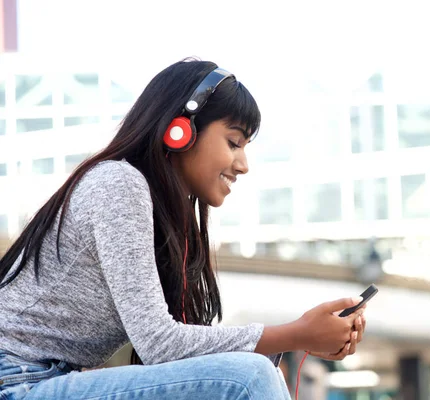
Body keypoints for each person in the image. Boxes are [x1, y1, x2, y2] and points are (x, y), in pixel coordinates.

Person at [0, 59, 367, 400]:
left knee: (255, 374)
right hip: (15, 380)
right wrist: (296, 334)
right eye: (234, 142)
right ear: (180, 131)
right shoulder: (118, 184)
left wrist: (296, 339)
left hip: (42, 378)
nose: (243, 165)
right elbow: (159, 343)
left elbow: (174, 351)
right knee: (249, 378)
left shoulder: (165, 216)